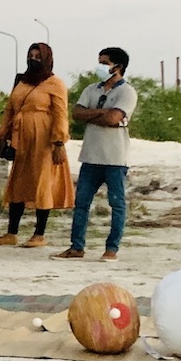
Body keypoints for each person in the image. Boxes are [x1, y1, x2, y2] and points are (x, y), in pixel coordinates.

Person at [56, 47, 138, 262]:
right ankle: (77, 246)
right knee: (81, 203)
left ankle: (112, 249)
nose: (100, 67)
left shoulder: (127, 92)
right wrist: (103, 113)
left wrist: (94, 116)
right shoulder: (92, 89)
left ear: (117, 66)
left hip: (115, 158)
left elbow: (113, 118)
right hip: (90, 156)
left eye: (104, 63)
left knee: (116, 204)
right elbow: (77, 113)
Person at [0, 42, 74, 247]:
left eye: (38, 55)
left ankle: (39, 234)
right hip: (22, 139)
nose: (33, 58)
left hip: (45, 140)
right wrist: (3, 136)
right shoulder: (21, 82)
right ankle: (11, 232)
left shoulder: (55, 83)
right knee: (18, 180)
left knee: (42, 181)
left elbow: (60, 114)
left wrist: (59, 142)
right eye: (31, 54)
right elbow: (10, 110)